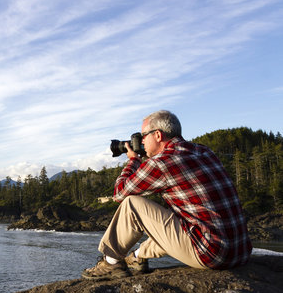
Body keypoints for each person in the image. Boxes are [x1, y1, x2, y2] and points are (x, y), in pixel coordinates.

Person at [82, 110, 252, 280]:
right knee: (176, 214)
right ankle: (137, 257)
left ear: (157, 135)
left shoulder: (161, 162)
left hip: (212, 254)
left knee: (132, 204)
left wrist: (133, 160)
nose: (141, 141)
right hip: (241, 251)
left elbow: (120, 193)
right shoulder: (204, 151)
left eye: (143, 136)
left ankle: (111, 263)